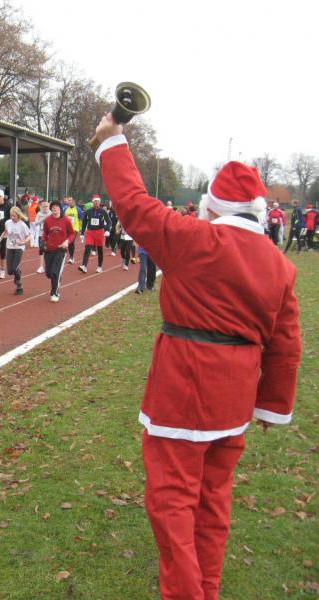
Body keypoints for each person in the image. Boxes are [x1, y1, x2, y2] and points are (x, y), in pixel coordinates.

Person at [94, 114, 301, 600]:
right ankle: (205, 589)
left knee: (171, 503)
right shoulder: (279, 264)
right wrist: (272, 406)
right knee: (213, 504)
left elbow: (134, 204)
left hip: (184, 387)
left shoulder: (195, 238)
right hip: (236, 396)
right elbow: (286, 343)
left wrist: (113, 140)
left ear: (211, 206)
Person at [41, 200, 75, 302]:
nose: (54, 208)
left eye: (56, 206)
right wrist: (42, 241)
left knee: (55, 272)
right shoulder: (47, 220)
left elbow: (72, 234)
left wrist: (67, 242)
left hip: (61, 249)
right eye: (53, 207)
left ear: (60, 208)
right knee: (48, 273)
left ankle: (54, 293)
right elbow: (45, 233)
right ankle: (57, 279)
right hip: (49, 249)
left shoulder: (66, 220)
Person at [0, 206, 31, 295]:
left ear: (18, 215)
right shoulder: (8, 222)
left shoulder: (22, 224)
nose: (12, 218)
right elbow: (6, 232)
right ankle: (17, 272)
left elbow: (29, 235)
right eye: (11, 216)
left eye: (14, 216)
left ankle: (19, 286)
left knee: (15, 268)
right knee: (10, 271)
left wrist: (24, 242)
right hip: (10, 247)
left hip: (19, 248)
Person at [78, 196, 111, 273]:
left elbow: (109, 222)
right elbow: (84, 223)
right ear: (93, 202)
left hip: (99, 232)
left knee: (100, 250)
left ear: (99, 202)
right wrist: (82, 233)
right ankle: (84, 266)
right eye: (95, 201)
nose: (96, 202)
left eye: (97, 201)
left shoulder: (103, 212)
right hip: (90, 232)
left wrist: (108, 230)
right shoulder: (88, 211)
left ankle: (99, 266)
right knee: (87, 248)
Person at [33, 200, 52, 273]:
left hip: (50, 234)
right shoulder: (39, 214)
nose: (45, 208)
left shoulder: (51, 213)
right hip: (41, 234)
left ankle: (49, 265)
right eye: (43, 206)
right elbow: (36, 223)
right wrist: (43, 219)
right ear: (41, 207)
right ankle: (41, 266)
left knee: (49, 250)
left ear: (49, 206)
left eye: (46, 206)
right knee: (41, 249)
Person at [63, 197, 83, 264]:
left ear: (73, 201)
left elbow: (81, 219)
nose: (69, 201)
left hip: (75, 228)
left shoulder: (78, 209)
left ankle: (71, 257)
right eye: (68, 200)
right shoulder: (65, 209)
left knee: (71, 242)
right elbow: (63, 218)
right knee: (67, 242)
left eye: (70, 200)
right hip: (66, 228)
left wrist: (81, 228)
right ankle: (67, 256)